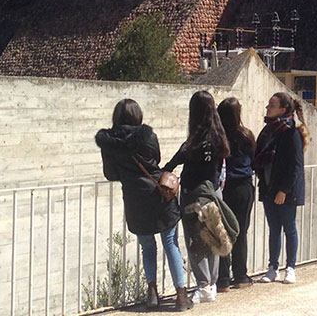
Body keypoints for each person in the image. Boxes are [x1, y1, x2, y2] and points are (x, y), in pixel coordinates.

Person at [95, 99, 192, 312]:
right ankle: (181, 296)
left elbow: (110, 174)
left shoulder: (108, 143)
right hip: (159, 195)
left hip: (134, 198)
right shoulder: (147, 136)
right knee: (170, 243)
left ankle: (152, 295)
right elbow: (156, 159)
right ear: (137, 116)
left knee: (147, 247)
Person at [163, 90, 231, 304]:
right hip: (213, 193)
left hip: (193, 194)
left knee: (194, 239)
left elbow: (173, 163)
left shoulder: (194, 141)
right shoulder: (219, 137)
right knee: (212, 236)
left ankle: (204, 285)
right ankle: (211, 283)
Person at [252, 92, 309, 284]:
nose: (267, 107)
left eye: (272, 105)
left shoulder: (291, 132)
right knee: (273, 228)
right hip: (269, 186)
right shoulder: (268, 131)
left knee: (289, 227)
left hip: (286, 191)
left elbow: (296, 166)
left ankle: (290, 267)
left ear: (282, 110)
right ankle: (272, 267)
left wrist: (284, 190)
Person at [216, 97, 256, 292]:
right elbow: (254, 161)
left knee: (222, 232)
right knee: (240, 232)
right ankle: (240, 275)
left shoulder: (217, 137)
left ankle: (222, 279)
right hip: (243, 186)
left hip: (223, 188)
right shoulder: (246, 135)